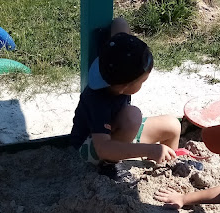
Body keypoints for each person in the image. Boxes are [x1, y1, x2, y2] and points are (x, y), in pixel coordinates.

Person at [70, 17, 181, 179]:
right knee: (132, 115)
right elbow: (103, 148)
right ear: (124, 88)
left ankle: (170, 165)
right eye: (142, 82)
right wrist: (149, 150)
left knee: (172, 125)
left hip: (120, 131)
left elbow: (119, 23)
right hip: (90, 148)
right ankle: (109, 165)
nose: (143, 84)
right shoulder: (98, 101)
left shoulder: (113, 56)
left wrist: (125, 39)